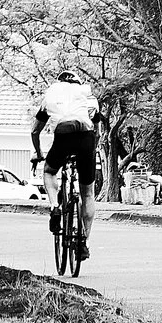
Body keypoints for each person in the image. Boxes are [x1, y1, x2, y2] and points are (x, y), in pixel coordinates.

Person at [30, 69, 104, 255]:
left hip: (63, 136)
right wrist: (91, 149)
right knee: (88, 194)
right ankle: (84, 243)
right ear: (78, 83)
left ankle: (55, 206)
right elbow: (97, 132)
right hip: (86, 138)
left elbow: (35, 131)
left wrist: (38, 153)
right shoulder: (88, 97)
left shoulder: (52, 95)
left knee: (49, 171)